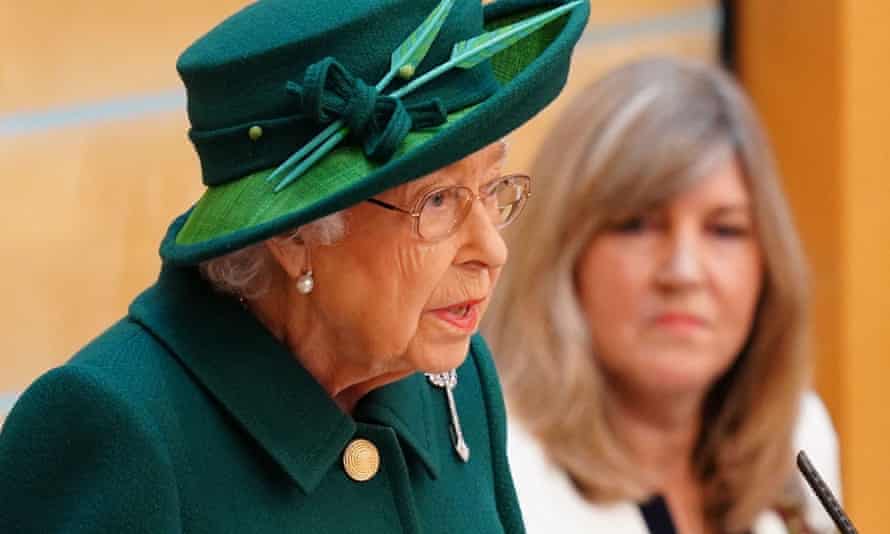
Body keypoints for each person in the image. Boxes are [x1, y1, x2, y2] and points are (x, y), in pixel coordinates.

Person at [0, 0, 589, 532]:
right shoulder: (115, 432)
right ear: (293, 237)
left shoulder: (454, 375)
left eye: (490, 187)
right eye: (437, 201)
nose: (493, 250)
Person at [483, 57, 841, 534]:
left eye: (725, 230)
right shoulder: (497, 478)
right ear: (563, 254)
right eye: (638, 226)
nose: (684, 273)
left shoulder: (798, 437)